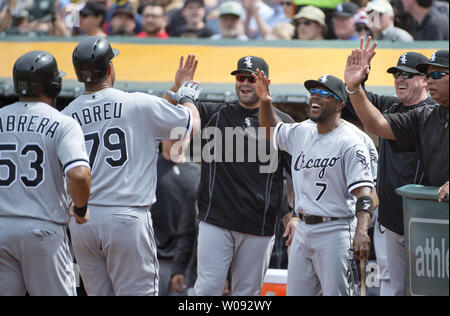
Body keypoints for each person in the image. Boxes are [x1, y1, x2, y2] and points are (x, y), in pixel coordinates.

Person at [62, 36, 200, 296]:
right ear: (110, 68)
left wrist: (173, 89)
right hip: (125, 218)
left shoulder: (67, 113)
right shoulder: (136, 102)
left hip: (83, 221)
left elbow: (145, 116)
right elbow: (191, 125)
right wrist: (187, 96)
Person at [166, 55, 295, 296]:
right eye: (240, 77)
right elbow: (163, 113)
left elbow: (295, 175)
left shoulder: (283, 123)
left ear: (265, 81)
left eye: (251, 78)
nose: (244, 83)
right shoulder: (216, 112)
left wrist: (291, 215)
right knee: (207, 290)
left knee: (247, 293)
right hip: (216, 220)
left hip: (259, 224)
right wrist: (176, 88)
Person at [257, 71, 377, 296]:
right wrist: (264, 102)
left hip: (336, 228)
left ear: (339, 104)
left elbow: (364, 193)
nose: (315, 96)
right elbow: (270, 130)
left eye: (323, 93)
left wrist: (362, 230)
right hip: (302, 227)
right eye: (312, 92)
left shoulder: (351, 142)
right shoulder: (302, 131)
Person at [345, 38, 436, 296]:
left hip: (422, 220)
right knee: (390, 289)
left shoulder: (432, 112)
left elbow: (374, 124)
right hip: (389, 221)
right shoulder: (391, 105)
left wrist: (355, 89)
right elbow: (352, 101)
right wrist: (356, 82)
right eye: (397, 74)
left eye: (408, 75)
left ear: (425, 79)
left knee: (424, 289)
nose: (400, 80)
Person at [0, 51, 91, 296]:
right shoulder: (62, 122)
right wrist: (81, 209)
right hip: (43, 228)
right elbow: (80, 175)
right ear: (54, 84)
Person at [344, 48, 449, 201]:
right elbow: (376, 124)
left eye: (437, 75)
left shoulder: (425, 109)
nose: (430, 80)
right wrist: (354, 87)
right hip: (419, 213)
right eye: (428, 75)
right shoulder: (423, 116)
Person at [151, 139, 200, 296]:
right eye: (170, 133)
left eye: (181, 135)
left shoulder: (198, 174)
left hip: (184, 262)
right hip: (151, 259)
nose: (175, 139)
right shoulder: (148, 168)